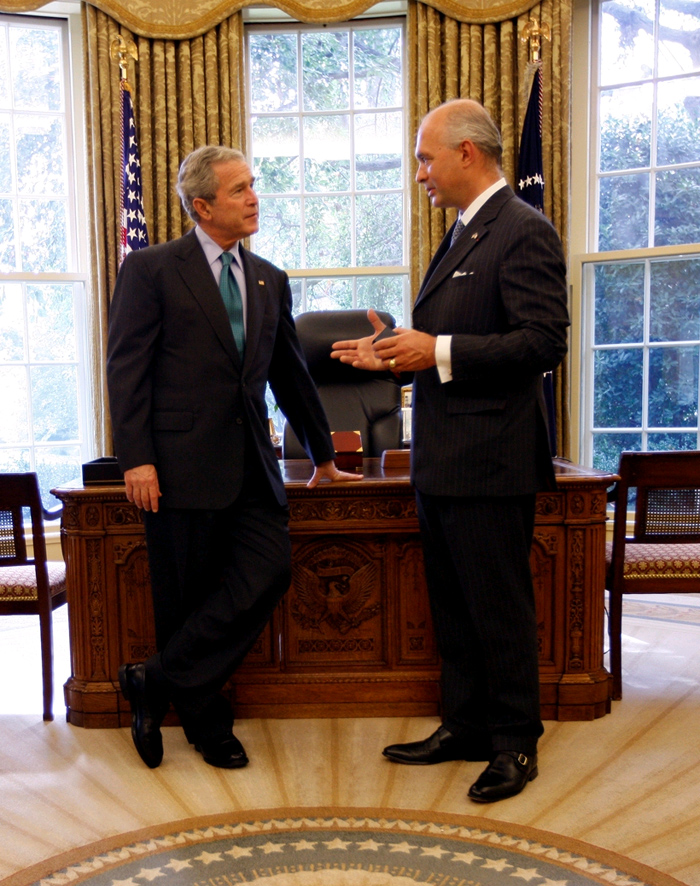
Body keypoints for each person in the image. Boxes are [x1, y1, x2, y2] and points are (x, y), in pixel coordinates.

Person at [331, 99, 569, 802]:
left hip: (491, 461)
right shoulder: (464, 230)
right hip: (443, 460)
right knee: (457, 609)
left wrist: (434, 347)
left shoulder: (522, 230)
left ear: (469, 153)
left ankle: (514, 744)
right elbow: (460, 338)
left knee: (497, 608)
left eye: (425, 159)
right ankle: (465, 726)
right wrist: (400, 353)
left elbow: (542, 341)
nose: (419, 175)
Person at [107, 145, 360, 770]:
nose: (255, 198)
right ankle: (205, 723)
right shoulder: (151, 269)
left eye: (254, 186)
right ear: (201, 205)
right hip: (175, 467)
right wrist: (135, 459)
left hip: (253, 464)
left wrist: (323, 452)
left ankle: (153, 680)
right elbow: (126, 368)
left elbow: (289, 372)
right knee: (187, 597)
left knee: (268, 570)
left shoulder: (269, 276)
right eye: (241, 189)